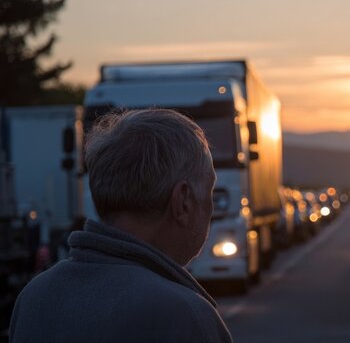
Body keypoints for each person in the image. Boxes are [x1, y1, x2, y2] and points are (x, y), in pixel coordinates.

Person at [9, 109, 232, 342]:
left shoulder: (35, 297)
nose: (210, 206)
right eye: (209, 192)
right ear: (183, 201)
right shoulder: (185, 316)